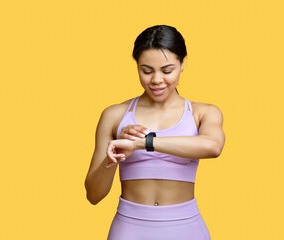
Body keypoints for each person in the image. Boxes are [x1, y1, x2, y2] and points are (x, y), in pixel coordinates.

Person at [84, 25, 225, 240]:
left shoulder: (202, 113)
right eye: (146, 71)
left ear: (183, 63)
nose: (157, 80)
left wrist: (143, 143)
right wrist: (115, 155)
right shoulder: (114, 116)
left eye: (167, 71)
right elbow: (94, 195)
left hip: (186, 228)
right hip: (129, 229)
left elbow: (213, 146)